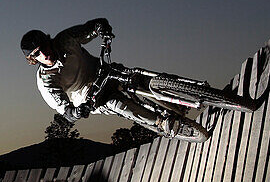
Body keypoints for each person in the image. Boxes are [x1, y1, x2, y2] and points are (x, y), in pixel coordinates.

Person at [20, 18, 177, 134]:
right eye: (37, 54)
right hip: (90, 95)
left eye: (44, 47)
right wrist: (75, 112)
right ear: (33, 59)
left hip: (102, 71)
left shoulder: (65, 40)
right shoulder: (46, 80)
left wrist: (101, 28)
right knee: (118, 105)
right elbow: (63, 108)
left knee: (137, 78)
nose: (44, 53)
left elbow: (90, 28)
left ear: (49, 41)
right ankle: (160, 122)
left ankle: (180, 90)